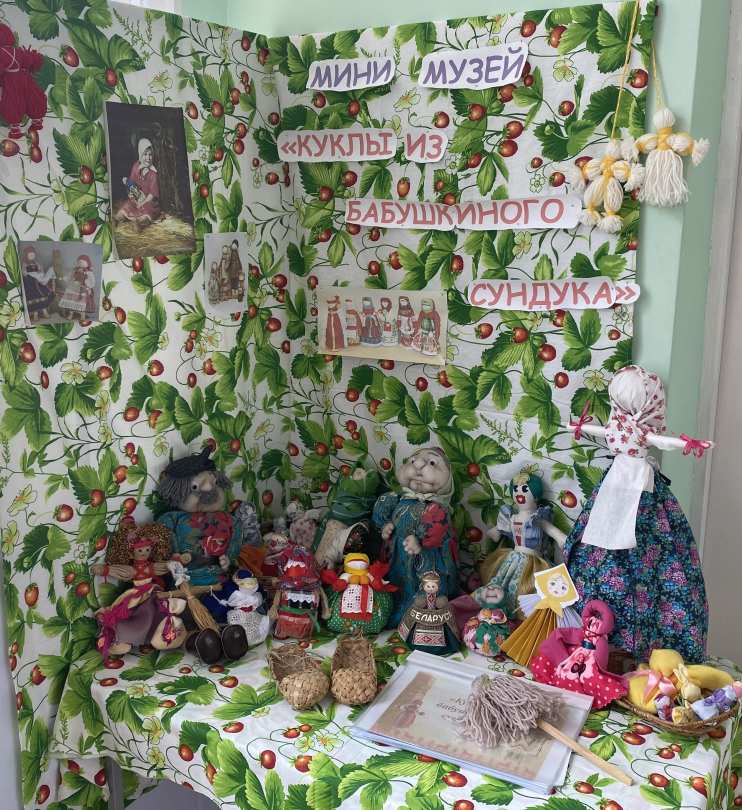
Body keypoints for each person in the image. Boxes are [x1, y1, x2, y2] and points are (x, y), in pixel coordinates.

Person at [564, 365, 710, 662]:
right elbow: (658, 440)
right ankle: (596, 632)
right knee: (613, 549)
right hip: (617, 488)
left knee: (649, 552)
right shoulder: (623, 428)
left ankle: (639, 645)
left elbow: (660, 441)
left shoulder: (632, 432)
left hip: (638, 489)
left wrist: (686, 444)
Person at [114, 137, 161, 230]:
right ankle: (116, 219)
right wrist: (131, 193)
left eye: (150, 155)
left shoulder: (153, 174)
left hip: (148, 202)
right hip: (137, 198)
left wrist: (143, 202)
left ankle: (140, 223)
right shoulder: (136, 166)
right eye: (145, 154)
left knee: (147, 212)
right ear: (140, 154)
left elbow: (152, 194)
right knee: (126, 206)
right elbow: (132, 184)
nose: (148, 158)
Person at [21, 246, 55, 322]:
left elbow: (41, 270)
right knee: (35, 298)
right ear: (26, 256)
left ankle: (44, 312)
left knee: (43, 296)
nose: (32, 256)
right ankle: (35, 314)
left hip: (39, 282)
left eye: (33, 255)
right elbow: (24, 273)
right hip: (31, 284)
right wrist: (28, 273)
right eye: (30, 255)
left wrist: (39, 271)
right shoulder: (25, 264)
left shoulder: (36, 263)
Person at [58, 254, 95, 320]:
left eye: (83, 262)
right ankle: (71, 314)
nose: (81, 264)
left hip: (82, 288)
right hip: (73, 287)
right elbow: (70, 277)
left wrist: (86, 282)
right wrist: (63, 278)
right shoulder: (75, 270)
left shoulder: (88, 272)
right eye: (79, 262)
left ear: (87, 263)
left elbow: (92, 282)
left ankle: (82, 315)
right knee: (71, 302)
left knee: (81, 303)